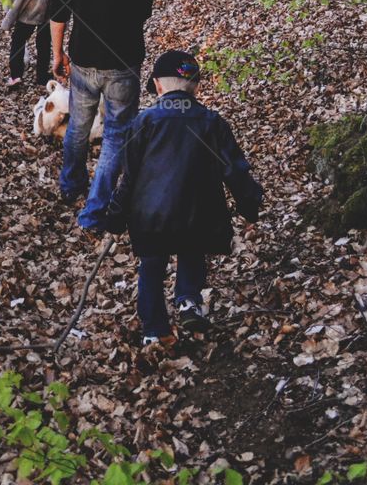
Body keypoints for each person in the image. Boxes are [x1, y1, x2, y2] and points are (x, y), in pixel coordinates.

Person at [104, 50, 262, 346]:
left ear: (159, 86)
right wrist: (249, 203)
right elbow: (235, 169)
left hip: (150, 218)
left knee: (151, 268)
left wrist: (115, 215)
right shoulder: (211, 123)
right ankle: (188, 299)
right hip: (198, 213)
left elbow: (130, 177)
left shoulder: (144, 122)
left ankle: (155, 329)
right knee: (192, 248)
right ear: (196, 87)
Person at [49, 0, 157, 232]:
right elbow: (143, 11)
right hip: (123, 59)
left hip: (83, 57)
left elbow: (58, 8)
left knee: (79, 125)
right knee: (115, 135)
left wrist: (57, 52)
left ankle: (71, 185)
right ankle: (94, 212)